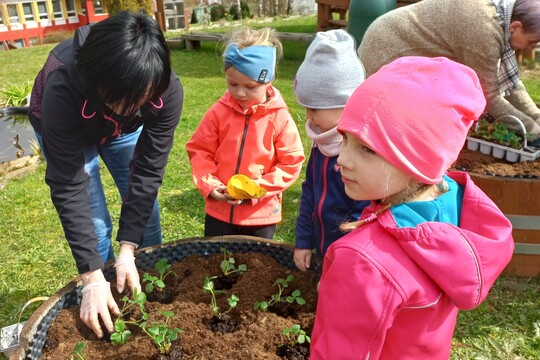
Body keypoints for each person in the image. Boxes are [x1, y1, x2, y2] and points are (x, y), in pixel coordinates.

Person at [310, 56, 515, 359]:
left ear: (417, 159)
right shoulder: (455, 209)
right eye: (345, 139)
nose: (342, 160)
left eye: (367, 148)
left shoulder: (362, 261)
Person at [28, 12, 183, 338]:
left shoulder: (163, 91)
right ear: (98, 81)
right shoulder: (63, 83)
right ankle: (101, 294)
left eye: (143, 99)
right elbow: (69, 185)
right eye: (125, 100)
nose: (135, 107)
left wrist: (129, 249)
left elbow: (148, 169)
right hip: (66, 125)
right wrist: (91, 277)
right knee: (96, 224)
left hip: (118, 130)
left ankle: (145, 285)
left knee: (146, 215)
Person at [358, 0, 540, 146]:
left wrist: (536, 116)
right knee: (395, 130)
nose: (530, 47)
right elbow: (489, 96)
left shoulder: (500, 16)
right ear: (515, 27)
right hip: (386, 49)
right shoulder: (483, 28)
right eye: (531, 42)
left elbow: (510, 84)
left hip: (404, 50)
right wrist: (533, 131)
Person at [186, 27, 305, 239]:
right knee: (216, 262)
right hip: (219, 212)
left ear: (268, 81)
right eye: (232, 83)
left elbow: (291, 162)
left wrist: (257, 189)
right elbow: (199, 149)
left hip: (261, 215)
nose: (240, 92)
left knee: (256, 267)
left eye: (250, 86)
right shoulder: (218, 112)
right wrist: (212, 186)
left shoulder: (279, 117)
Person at [293, 29, 369, 272]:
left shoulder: (361, 157)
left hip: (348, 259)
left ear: (345, 105)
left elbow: (362, 217)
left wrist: (341, 262)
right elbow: (309, 195)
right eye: (306, 107)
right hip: (321, 248)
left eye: (314, 108)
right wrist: (303, 241)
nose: (308, 115)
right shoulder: (321, 145)